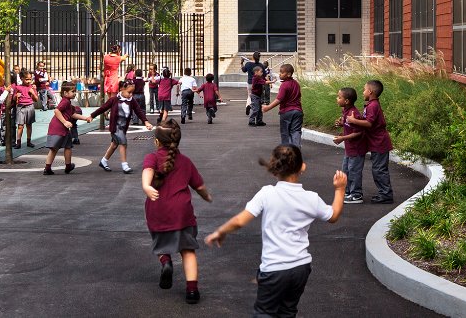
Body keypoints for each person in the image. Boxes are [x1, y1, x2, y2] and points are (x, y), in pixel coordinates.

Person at [204, 145, 347, 318]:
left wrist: (221, 231)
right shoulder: (311, 198)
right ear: (302, 166)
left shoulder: (267, 194)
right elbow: (333, 215)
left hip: (274, 269)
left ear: (274, 170)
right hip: (300, 268)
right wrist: (339, 189)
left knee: (265, 313)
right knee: (287, 312)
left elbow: (240, 221)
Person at [141, 119, 212, 304]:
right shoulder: (185, 162)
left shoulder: (152, 157)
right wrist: (207, 196)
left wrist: (146, 186)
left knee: (160, 243)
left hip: (158, 211)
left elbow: (147, 170)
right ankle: (192, 290)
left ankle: (165, 261)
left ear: (157, 141)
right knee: (188, 251)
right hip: (182, 213)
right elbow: (199, 186)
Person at [90, 81, 153, 174]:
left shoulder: (131, 100)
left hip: (123, 127)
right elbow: (103, 108)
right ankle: (124, 165)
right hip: (115, 127)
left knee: (114, 145)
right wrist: (92, 115)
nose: (131, 95)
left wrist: (146, 121)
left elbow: (138, 111)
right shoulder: (114, 99)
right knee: (123, 143)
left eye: (132, 92)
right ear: (121, 89)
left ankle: (104, 161)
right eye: (129, 92)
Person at [349, 80, 395, 204]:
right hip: (376, 142)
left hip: (380, 142)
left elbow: (369, 123)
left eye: (364, 89)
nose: (363, 92)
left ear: (370, 92)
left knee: (379, 170)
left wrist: (353, 121)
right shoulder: (371, 105)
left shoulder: (373, 105)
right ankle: (384, 193)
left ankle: (386, 195)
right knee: (377, 169)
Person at [43, 82, 92, 175]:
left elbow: (73, 114)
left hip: (61, 128)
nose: (74, 93)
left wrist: (85, 118)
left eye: (75, 91)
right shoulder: (65, 102)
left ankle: (51, 168)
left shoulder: (68, 103)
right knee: (61, 147)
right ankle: (64, 166)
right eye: (73, 91)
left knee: (66, 146)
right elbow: (56, 110)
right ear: (65, 93)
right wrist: (65, 122)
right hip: (59, 128)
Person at [332, 87, 370, 204]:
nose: (337, 99)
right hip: (350, 149)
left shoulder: (354, 114)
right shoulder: (345, 111)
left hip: (357, 149)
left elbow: (359, 132)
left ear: (347, 101)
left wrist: (342, 138)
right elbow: (349, 125)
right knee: (346, 171)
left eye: (339, 97)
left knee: (354, 172)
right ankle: (349, 192)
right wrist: (342, 123)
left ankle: (357, 195)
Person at [261, 64, 303, 147]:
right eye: (280, 72)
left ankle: (287, 150)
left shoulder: (284, 85)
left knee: (285, 132)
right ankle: (296, 149)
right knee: (296, 131)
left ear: (289, 74)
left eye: (282, 72)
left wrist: (268, 107)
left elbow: (279, 99)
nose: (279, 74)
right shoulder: (296, 84)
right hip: (298, 111)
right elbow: (299, 97)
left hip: (286, 112)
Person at [13, 68, 39, 149]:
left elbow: (36, 99)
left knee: (29, 125)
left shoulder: (32, 88)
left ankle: (29, 141)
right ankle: (18, 142)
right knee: (20, 126)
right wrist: (16, 96)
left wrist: (33, 93)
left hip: (30, 107)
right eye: (27, 79)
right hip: (21, 107)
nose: (29, 81)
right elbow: (14, 98)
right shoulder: (18, 87)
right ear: (22, 79)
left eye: (30, 79)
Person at [240, 52, 263, 116]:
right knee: (257, 97)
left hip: (250, 82)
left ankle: (248, 105)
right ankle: (254, 108)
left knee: (249, 96)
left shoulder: (248, 64)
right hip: (258, 83)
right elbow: (264, 74)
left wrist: (241, 63)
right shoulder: (261, 65)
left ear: (253, 57)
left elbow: (244, 70)